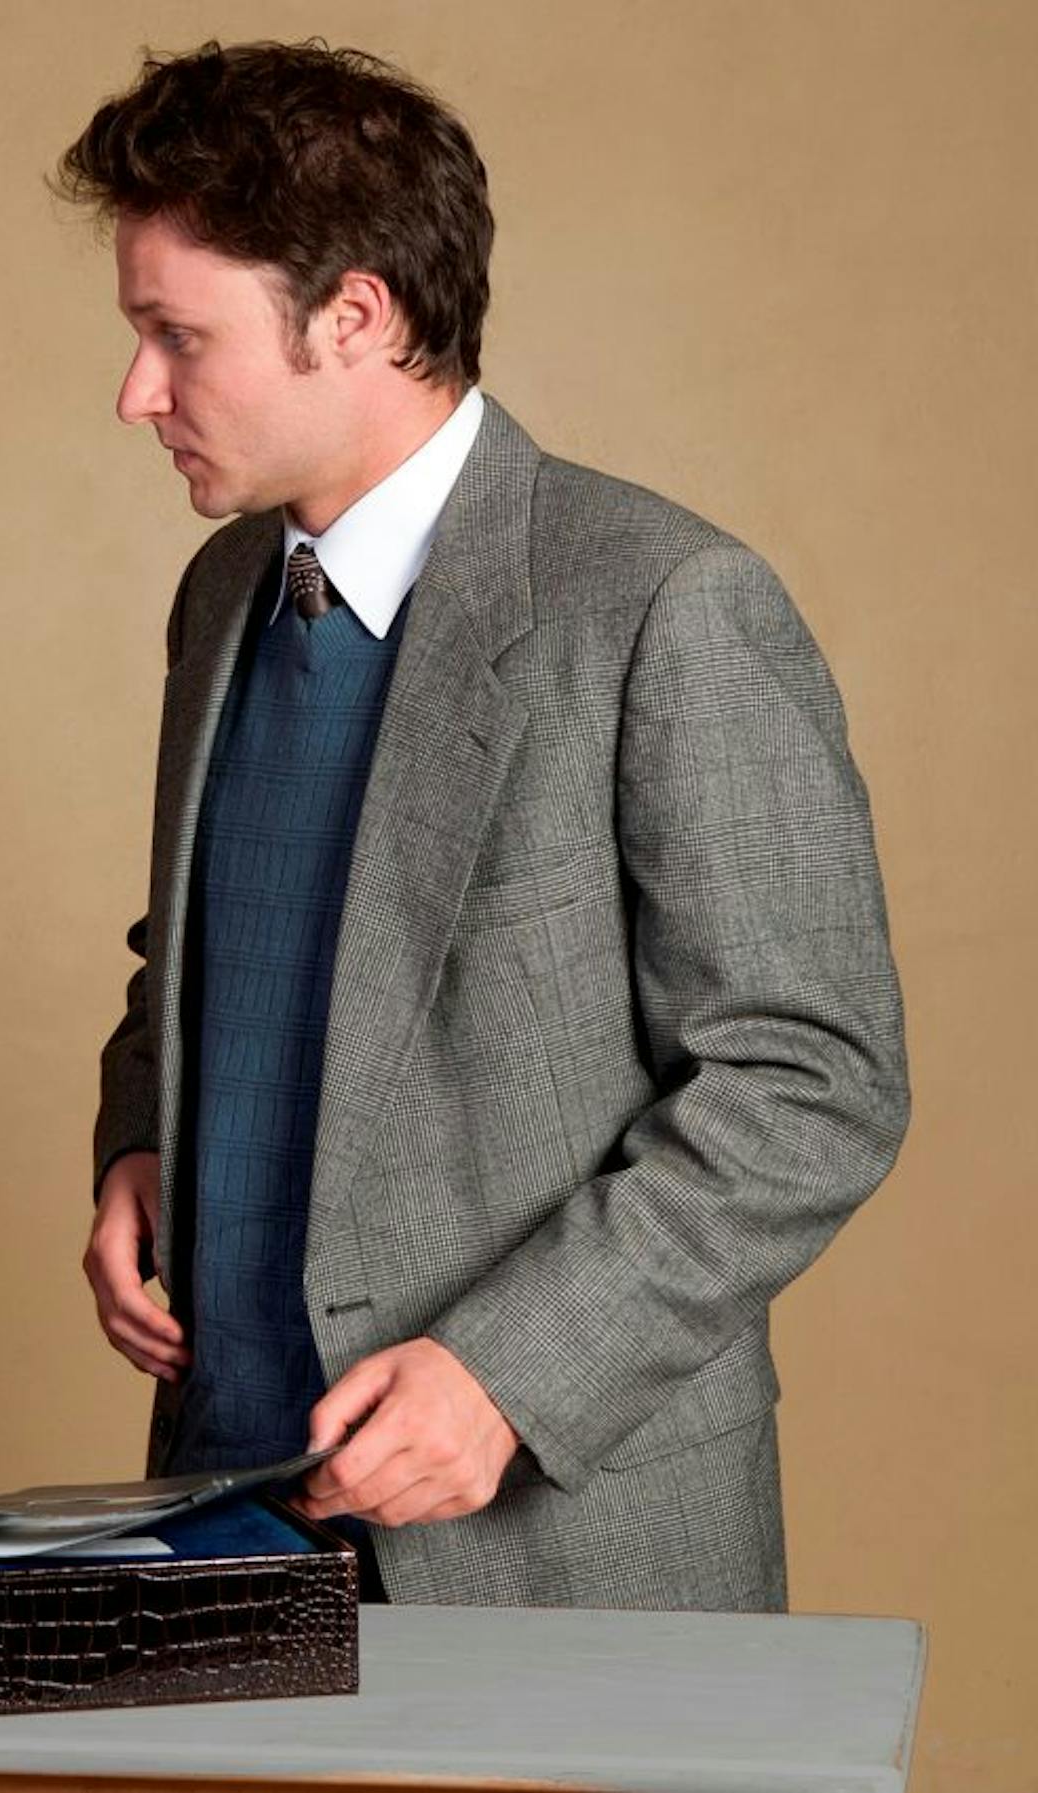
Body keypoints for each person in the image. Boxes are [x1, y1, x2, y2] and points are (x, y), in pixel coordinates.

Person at [64, 42, 907, 1610]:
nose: (137, 393)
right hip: (221, 1513)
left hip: (555, 1550)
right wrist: (139, 1137)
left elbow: (814, 1080)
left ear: (357, 315)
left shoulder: (662, 603)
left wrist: (510, 1375)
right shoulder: (224, 593)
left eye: (177, 336)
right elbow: (203, 947)